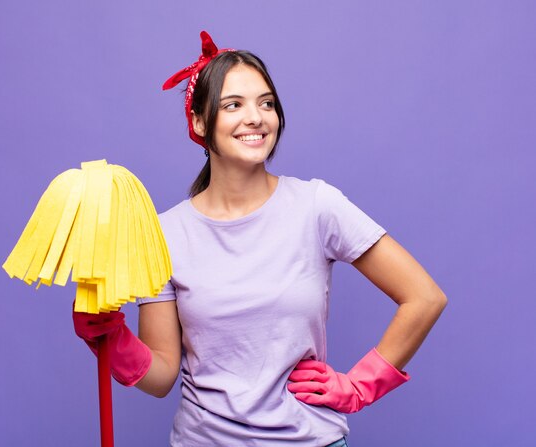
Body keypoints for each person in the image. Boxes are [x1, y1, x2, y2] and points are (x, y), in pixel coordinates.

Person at [73, 31, 447, 447]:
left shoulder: (316, 206)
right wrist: (109, 336)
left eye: (266, 103)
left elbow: (424, 297)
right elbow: (161, 375)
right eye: (234, 105)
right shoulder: (164, 234)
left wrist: (360, 386)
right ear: (199, 122)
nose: (256, 117)